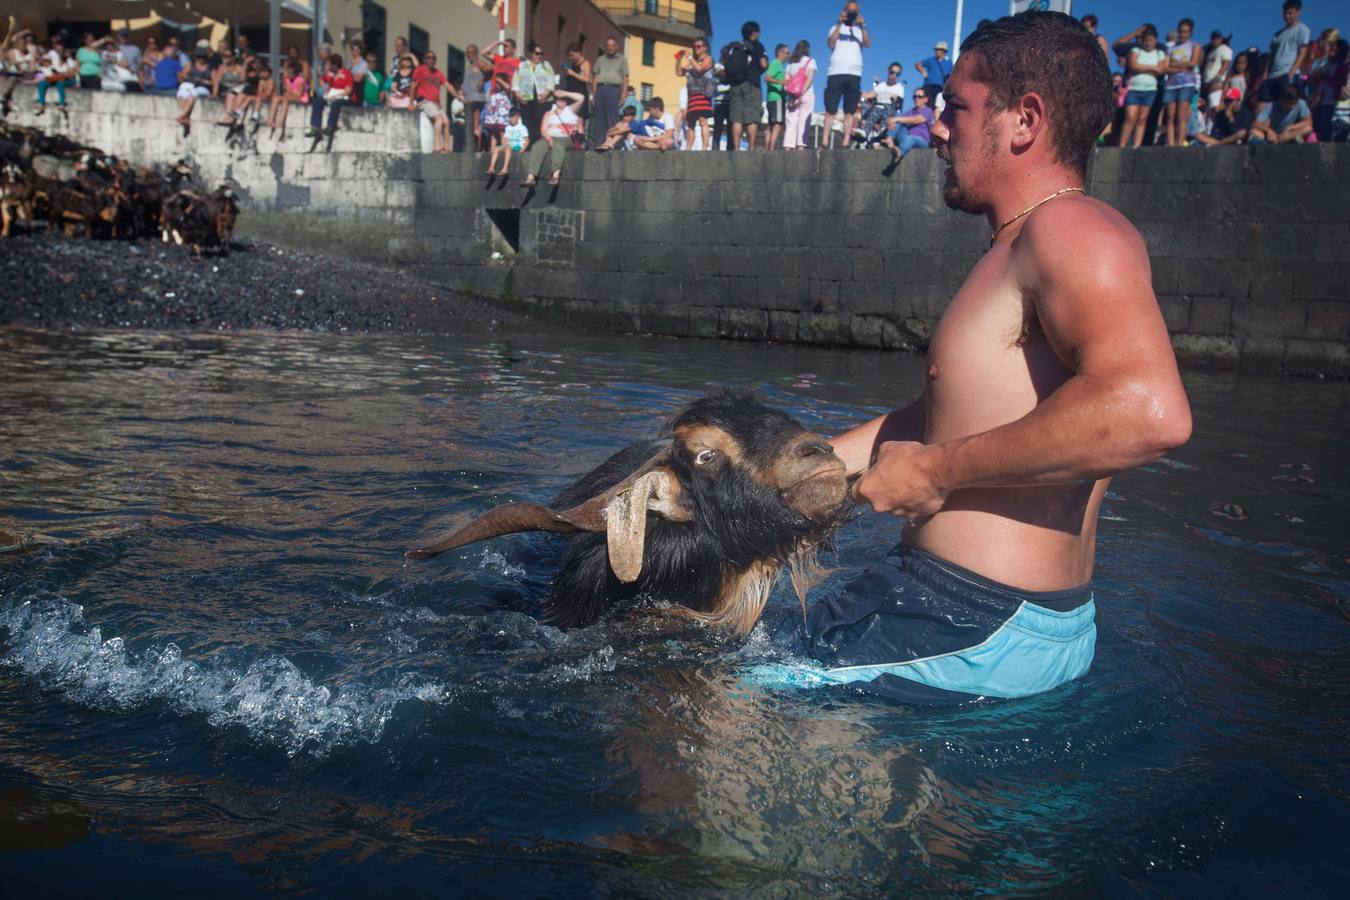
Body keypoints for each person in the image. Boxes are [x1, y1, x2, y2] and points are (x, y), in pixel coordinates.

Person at [781, 11, 1191, 705]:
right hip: (969, 612)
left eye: (956, 109)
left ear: (1023, 120)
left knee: (691, 702)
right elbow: (938, 417)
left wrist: (936, 474)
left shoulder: (1071, 226)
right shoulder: (1018, 246)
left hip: (968, 621)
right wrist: (783, 478)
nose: (937, 129)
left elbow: (1148, 413)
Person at [823, 2, 870, 148]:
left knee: (850, 110)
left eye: (854, 12)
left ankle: (845, 141)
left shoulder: (858, 31)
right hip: (835, 71)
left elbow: (867, 44)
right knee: (831, 109)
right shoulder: (835, 28)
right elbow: (831, 43)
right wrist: (839, 24)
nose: (851, 14)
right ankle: (824, 141)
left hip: (854, 72)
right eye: (849, 11)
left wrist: (863, 26)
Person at [720, 22, 768, 151]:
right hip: (751, 83)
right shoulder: (757, 45)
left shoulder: (736, 47)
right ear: (754, 33)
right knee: (752, 116)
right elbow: (763, 64)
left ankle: (736, 148)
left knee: (737, 118)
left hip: (735, 84)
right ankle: (751, 147)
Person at [524, 89, 585, 186]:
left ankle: (555, 175)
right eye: (559, 99)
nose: (562, 101)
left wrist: (565, 93)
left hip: (567, 138)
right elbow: (543, 130)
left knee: (558, 146)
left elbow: (581, 98)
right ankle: (531, 176)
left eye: (564, 99)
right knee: (537, 146)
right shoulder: (549, 113)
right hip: (550, 137)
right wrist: (549, 139)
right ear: (555, 101)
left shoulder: (571, 109)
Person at [1260, 0, 1311, 114]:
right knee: (1262, 107)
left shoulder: (1302, 29)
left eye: (1290, 13)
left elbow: (1302, 52)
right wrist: (1265, 73)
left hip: (1286, 72)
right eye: (1285, 13)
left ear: (1298, 12)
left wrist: (1292, 71)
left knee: (1286, 107)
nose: (1287, 16)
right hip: (1272, 75)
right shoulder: (1278, 34)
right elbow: (1271, 55)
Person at [1121, 25, 1165, 148]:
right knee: (1130, 117)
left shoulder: (1159, 53)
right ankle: (1122, 146)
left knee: (1142, 118)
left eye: (1151, 40)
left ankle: (1136, 146)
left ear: (1155, 40)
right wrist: (1152, 68)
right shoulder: (1136, 50)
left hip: (1150, 90)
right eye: (1146, 40)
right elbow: (1133, 66)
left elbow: (1161, 70)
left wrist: (1142, 67)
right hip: (1134, 89)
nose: (1148, 43)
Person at [1162, 19, 1203, 147]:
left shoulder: (1194, 46)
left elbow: (1193, 63)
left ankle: (1180, 144)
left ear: (1190, 32)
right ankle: (1170, 143)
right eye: (1181, 31)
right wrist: (1182, 66)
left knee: (1182, 115)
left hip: (1187, 83)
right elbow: (1166, 67)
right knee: (1170, 116)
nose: (1182, 34)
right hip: (1171, 84)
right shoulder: (1171, 48)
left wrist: (1175, 65)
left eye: (1185, 31)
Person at [413, 51, 461, 153]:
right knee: (438, 118)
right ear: (425, 59)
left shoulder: (437, 72)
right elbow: (413, 85)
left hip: (435, 103)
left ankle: (446, 147)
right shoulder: (420, 70)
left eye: (433, 58)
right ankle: (437, 145)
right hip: (424, 100)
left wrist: (458, 96)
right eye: (428, 57)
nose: (431, 60)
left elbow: (447, 85)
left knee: (447, 122)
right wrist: (411, 103)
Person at [1308, 33, 1348, 141]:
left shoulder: (1341, 65)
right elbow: (1320, 82)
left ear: (1341, 52)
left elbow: (1342, 81)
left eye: (1335, 51)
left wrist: (1326, 77)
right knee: (1318, 127)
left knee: (1327, 129)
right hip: (1321, 100)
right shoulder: (1327, 65)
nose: (1331, 53)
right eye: (1331, 50)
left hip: (1331, 101)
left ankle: (1328, 155)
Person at [589, 37, 628, 147]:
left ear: (617, 46)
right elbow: (595, 77)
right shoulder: (600, 59)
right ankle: (599, 143)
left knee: (612, 118)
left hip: (613, 90)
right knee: (599, 118)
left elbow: (625, 78)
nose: (610, 48)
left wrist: (623, 96)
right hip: (601, 90)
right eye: (608, 46)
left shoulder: (622, 60)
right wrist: (594, 94)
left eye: (612, 45)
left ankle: (612, 144)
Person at [678, 38, 716, 151]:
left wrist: (689, 57)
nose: (696, 49)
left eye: (699, 46)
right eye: (695, 47)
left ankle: (705, 147)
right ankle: (688, 148)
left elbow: (700, 69)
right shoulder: (692, 62)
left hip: (703, 94)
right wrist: (678, 60)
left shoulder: (708, 59)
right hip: (692, 96)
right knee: (691, 123)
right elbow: (679, 72)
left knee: (703, 120)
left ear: (705, 48)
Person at [513, 42, 554, 142]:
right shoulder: (522, 65)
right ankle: (529, 144)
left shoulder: (546, 65)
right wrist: (519, 96)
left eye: (541, 54)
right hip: (526, 98)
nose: (539, 56)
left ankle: (540, 143)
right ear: (531, 54)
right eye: (537, 53)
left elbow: (551, 81)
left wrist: (545, 95)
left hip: (543, 99)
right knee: (528, 122)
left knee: (541, 121)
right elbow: (515, 83)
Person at [307, 53, 353, 139]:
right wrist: (325, 88)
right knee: (317, 102)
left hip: (341, 95)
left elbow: (348, 90)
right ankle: (315, 126)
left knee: (336, 104)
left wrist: (336, 95)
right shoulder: (330, 74)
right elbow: (322, 80)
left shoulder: (346, 74)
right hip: (330, 93)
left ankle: (331, 126)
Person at [883, 85, 934, 161]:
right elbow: (894, 120)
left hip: (922, 140)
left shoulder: (928, 111)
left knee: (909, 136)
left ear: (926, 99)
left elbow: (917, 120)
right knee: (898, 118)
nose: (916, 99)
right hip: (905, 137)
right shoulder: (909, 112)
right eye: (914, 96)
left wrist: (896, 119)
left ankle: (899, 152)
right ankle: (889, 139)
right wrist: (892, 122)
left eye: (920, 96)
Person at [1250, 82, 1314, 142]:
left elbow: (1309, 122)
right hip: (1274, 135)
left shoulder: (1301, 103)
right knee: (1253, 132)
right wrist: (1268, 130)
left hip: (1289, 134)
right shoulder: (1272, 106)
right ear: (1282, 99)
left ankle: (1284, 140)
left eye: (1293, 104)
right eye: (1288, 103)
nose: (1291, 106)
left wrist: (1289, 128)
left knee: (1308, 128)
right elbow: (1255, 123)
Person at [783, 40, 817, 150]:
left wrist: (790, 92)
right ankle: (801, 145)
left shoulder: (791, 63)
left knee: (791, 120)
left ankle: (788, 146)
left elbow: (786, 80)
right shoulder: (810, 61)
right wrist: (802, 92)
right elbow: (810, 79)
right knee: (804, 119)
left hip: (792, 95)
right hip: (806, 94)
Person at [560, 43, 592, 144]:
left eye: (572, 55)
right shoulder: (573, 64)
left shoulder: (585, 63)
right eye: (569, 55)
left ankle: (581, 142)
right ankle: (572, 141)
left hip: (580, 94)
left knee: (579, 119)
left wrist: (573, 74)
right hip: (571, 93)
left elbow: (587, 78)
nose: (570, 58)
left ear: (578, 53)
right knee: (571, 118)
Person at [269, 59, 308, 137]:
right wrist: (288, 92)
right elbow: (286, 91)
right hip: (290, 95)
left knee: (285, 100)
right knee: (276, 98)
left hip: (301, 98)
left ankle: (281, 122)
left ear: (296, 74)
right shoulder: (287, 80)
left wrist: (290, 91)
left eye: (291, 73)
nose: (289, 75)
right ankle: (271, 120)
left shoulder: (300, 80)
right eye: (288, 73)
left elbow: (299, 94)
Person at [764, 44, 790, 149]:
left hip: (772, 98)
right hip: (777, 98)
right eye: (787, 53)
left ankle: (767, 149)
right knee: (777, 125)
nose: (788, 55)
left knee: (771, 125)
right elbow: (767, 77)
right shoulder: (776, 63)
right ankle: (771, 150)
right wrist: (781, 82)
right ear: (780, 53)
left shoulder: (778, 65)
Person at [464, 44, 489, 150]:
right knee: (471, 127)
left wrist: (483, 81)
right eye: (468, 52)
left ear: (476, 53)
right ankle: (472, 148)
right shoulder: (469, 66)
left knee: (476, 127)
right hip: (470, 98)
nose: (470, 55)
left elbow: (490, 70)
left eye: (472, 52)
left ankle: (477, 150)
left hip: (477, 99)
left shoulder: (479, 63)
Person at [492, 107, 528, 177]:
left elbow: (527, 140)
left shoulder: (522, 127)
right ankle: (492, 168)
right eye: (510, 117)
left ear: (518, 117)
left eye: (513, 117)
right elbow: (505, 139)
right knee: (496, 148)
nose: (512, 119)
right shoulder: (508, 127)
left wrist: (522, 149)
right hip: (508, 146)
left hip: (517, 146)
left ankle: (505, 168)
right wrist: (503, 146)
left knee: (508, 148)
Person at [1202, 31, 1233, 110]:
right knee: (1207, 108)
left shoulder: (1224, 49)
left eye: (1217, 38)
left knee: (1214, 106)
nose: (1215, 40)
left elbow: (1226, 64)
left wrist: (1218, 77)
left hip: (1217, 82)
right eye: (1213, 38)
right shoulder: (1211, 51)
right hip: (1207, 83)